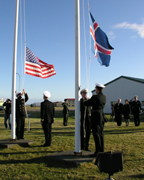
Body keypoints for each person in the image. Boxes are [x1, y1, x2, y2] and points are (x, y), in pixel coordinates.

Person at [84, 83, 106, 157]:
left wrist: (87, 99)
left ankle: (97, 151)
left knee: (96, 134)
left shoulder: (95, 97)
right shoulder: (104, 97)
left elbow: (87, 103)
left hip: (96, 116)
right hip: (101, 116)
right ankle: (101, 150)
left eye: (96, 88)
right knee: (101, 134)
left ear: (98, 89)